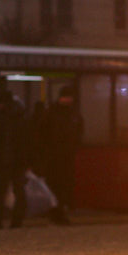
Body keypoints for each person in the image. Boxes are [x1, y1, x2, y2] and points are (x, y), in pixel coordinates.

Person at [0, 90, 28, 229]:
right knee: (19, 191)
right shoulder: (23, 116)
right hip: (20, 160)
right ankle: (17, 221)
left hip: (5, 159)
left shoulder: (2, 117)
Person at [43, 86, 83, 225]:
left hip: (67, 156)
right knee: (56, 186)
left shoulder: (72, 114)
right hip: (54, 157)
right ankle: (56, 214)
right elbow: (43, 134)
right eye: (66, 97)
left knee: (65, 186)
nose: (68, 99)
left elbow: (79, 133)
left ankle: (59, 213)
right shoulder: (54, 113)